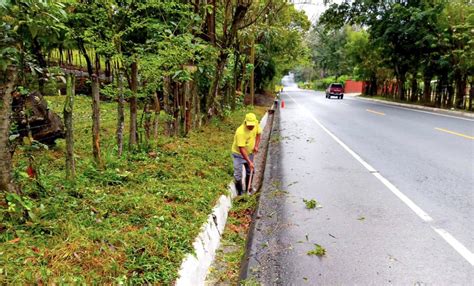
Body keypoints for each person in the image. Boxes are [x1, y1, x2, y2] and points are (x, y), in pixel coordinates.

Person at [231, 113, 262, 195]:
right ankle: (240, 193)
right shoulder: (240, 132)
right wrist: (249, 162)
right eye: (249, 125)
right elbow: (241, 149)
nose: (251, 127)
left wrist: (256, 146)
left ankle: (248, 190)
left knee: (250, 171)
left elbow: (258, 134)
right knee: (238, 174)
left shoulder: (256, 125)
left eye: (252, 125)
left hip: (250, 153)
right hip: (238, 154)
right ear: (245, 122)